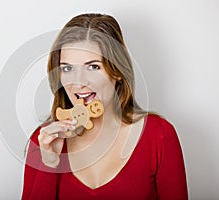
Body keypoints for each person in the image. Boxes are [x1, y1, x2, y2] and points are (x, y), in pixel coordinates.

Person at [21, 13, 188, 200]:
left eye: (93, 67)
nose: (78, 82)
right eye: (67, 68)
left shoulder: (159, 136)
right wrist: (49, 163)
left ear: (117, 71)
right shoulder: (44, 141)